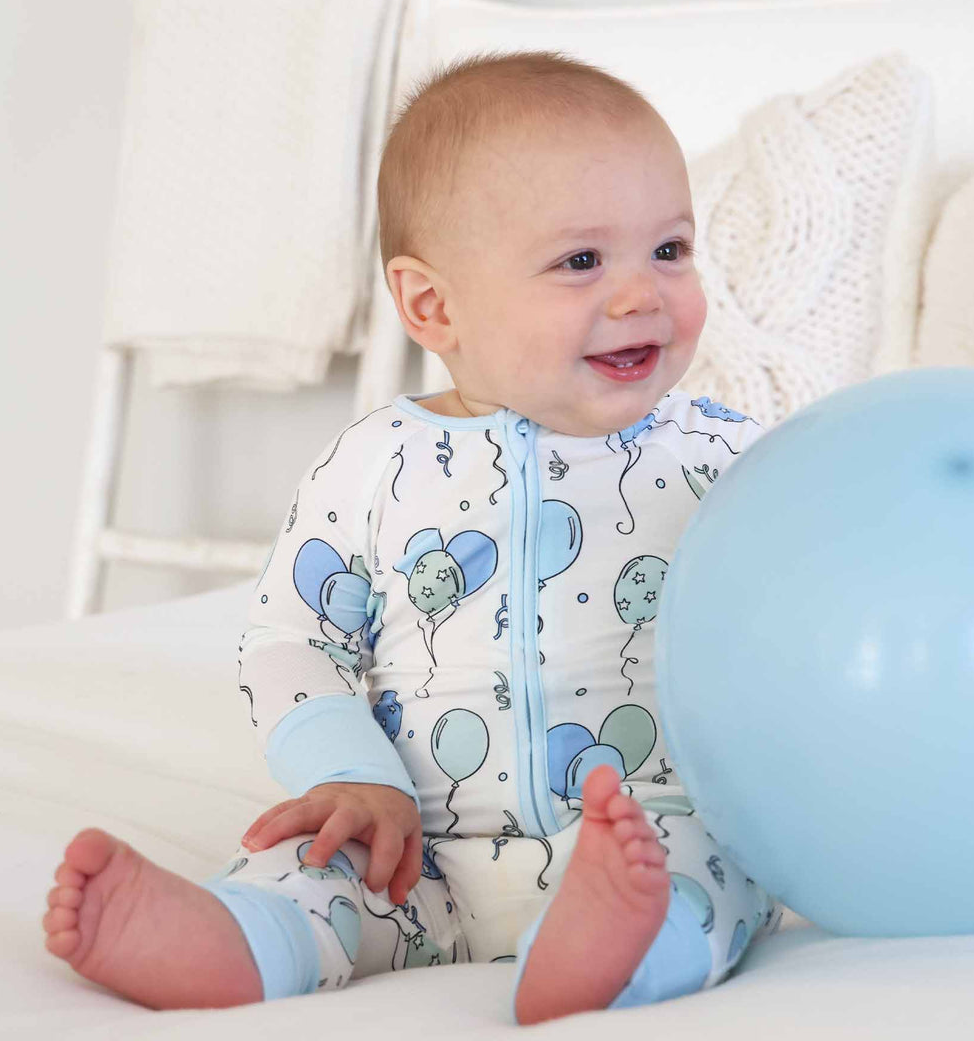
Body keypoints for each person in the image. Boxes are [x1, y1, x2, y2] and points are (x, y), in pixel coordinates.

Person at [42, 50, 782, 1024]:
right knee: (311, 866)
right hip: (413, 844)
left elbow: (810, 601)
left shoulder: (727, 458)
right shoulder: (376, 467)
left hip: (645, 822)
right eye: (581, 261)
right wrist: (349, 773)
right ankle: (233, 938)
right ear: (434, 304)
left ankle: (611, 945)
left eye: (670, 250)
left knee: (713, 869)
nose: (642, 294)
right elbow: (289, 641)